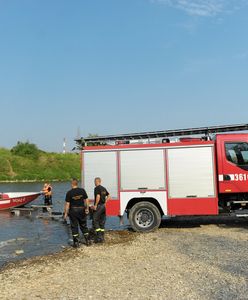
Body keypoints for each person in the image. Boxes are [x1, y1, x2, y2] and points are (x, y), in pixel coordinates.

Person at [64, 179, 90, 248]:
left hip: (73, 211)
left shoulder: (69, 193)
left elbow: (67, 204)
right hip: (82, 210)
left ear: (72, 184)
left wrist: (65, 213)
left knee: (74, 226)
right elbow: (87, 200)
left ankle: (76, 243)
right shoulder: (82, 190)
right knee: (83, 225)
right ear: (77, 184)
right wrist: (87, 208)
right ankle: (88, 241)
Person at [92, 177, 110, 243]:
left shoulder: (97, 188)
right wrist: (105, 202)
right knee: (102, 222)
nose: (94, 183)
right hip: (103, 207)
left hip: (99, 206)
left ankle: (99, 237)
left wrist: (95, 205)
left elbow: (98, 196)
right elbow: (109, 195)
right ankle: (102, 237)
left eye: (95, 182)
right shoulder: (103, 188)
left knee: (95, 220)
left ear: (97, 181)